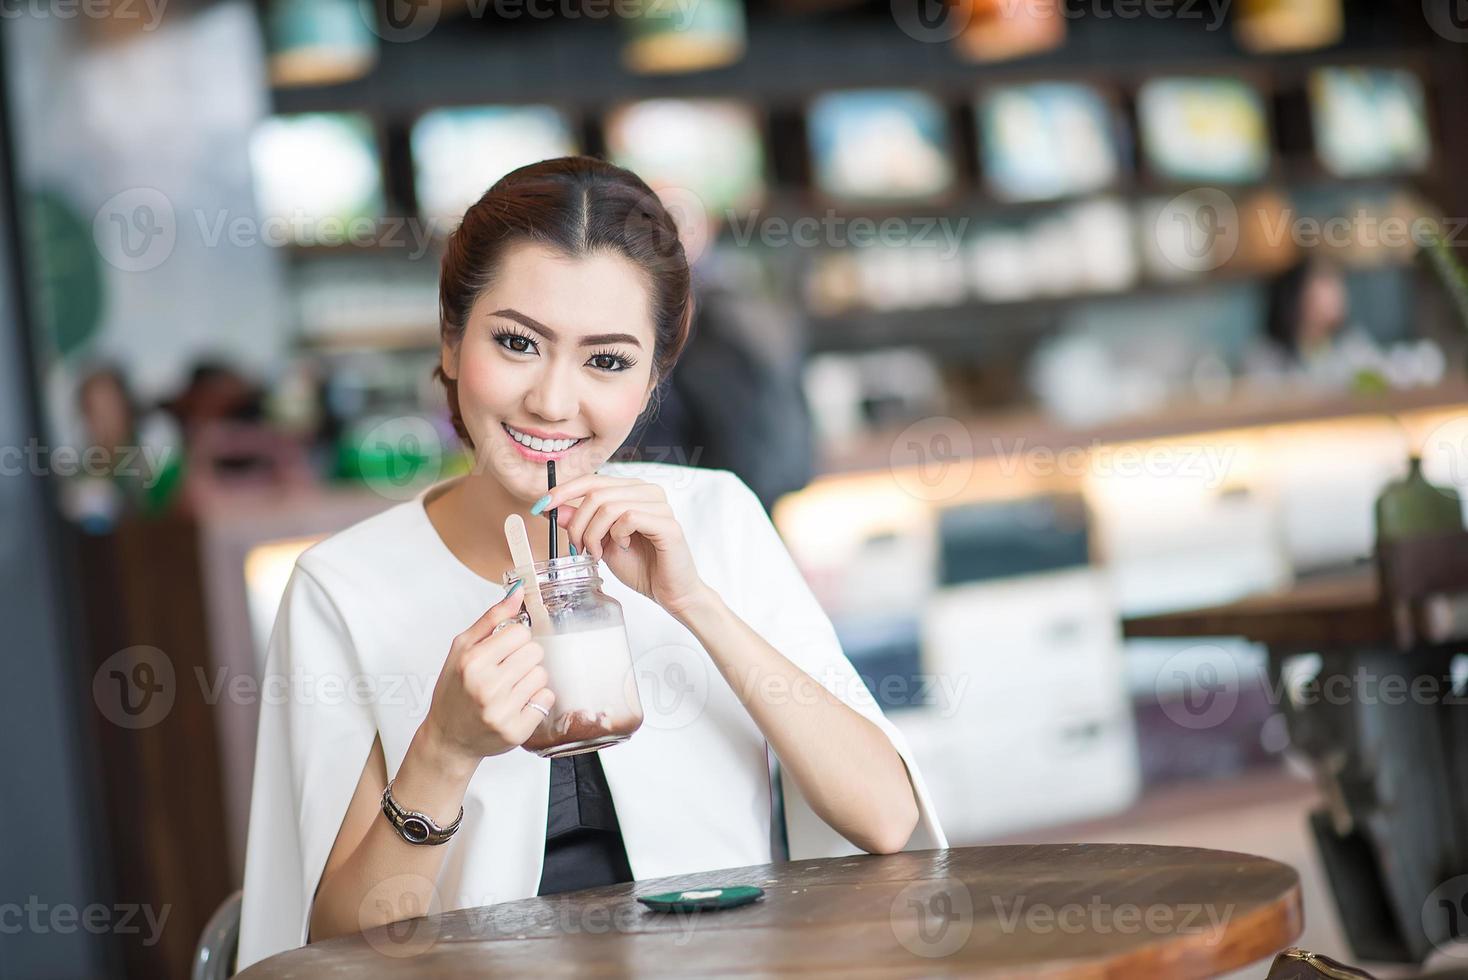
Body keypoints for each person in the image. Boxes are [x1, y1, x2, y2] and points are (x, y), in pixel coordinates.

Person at [237, 157, 945, 969]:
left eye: (605, 360)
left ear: (651, 382)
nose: (551, 400)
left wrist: (697, 602)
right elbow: (348, 949)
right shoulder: (346, 587)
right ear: (450, 337)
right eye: (516, 343)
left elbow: (887, 819)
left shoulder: (712, 518)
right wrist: (445, 750)